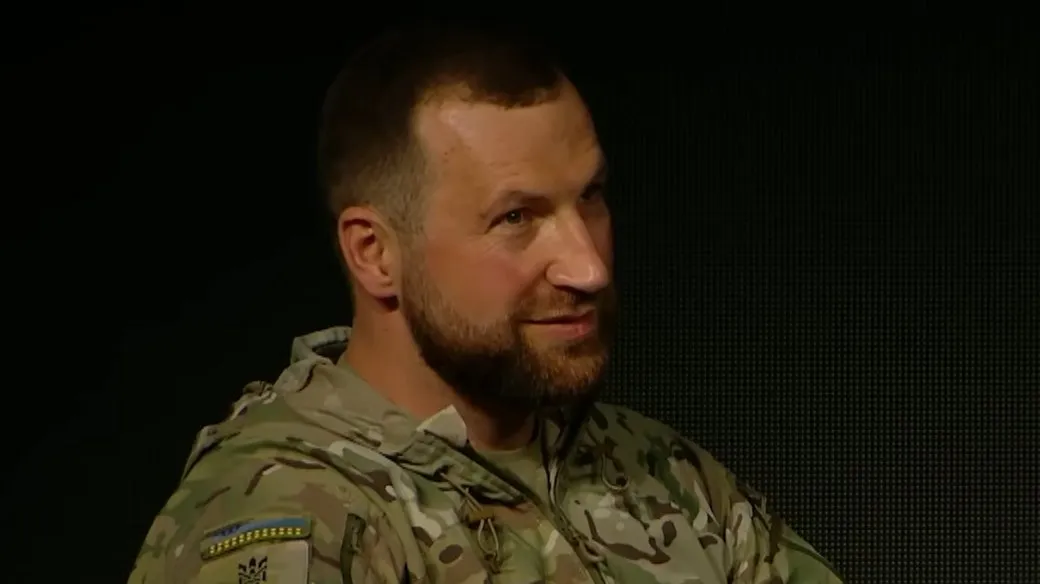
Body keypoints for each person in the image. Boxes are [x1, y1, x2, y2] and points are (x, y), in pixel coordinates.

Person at [127, 22, 844, 584]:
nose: (589, 266)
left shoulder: (665, 477)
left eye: (590, 197)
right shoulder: (290, 511)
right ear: (375, 254)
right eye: (516, 218)